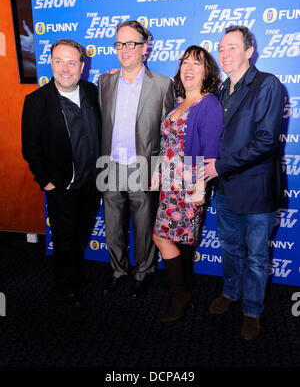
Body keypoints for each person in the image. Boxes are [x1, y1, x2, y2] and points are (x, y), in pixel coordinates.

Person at [204, 25, 285, 340]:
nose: (224, 53)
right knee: (230, 248)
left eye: (232, 47)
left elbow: (266, 141)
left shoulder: (267, 84)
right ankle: (230, 292)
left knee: (256, 256)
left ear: (250, 52)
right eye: (221, 48)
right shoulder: (221, 90)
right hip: (224, 189)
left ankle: (252, 310)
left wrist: (220, 166)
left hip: (255, 190)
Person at [98, 20, 175, 299]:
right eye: (119, 43)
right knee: (112, 227)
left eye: (131, 43)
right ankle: (118, 271)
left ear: (145, 48)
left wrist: (160, 169)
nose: (124, 49)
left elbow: (168, 134)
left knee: (144, 228)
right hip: (109, 166)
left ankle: (144, 273)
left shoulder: (164, 85)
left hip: (144, 167)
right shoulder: (104, 81)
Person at [22, 39, 101, 308]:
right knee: (64, 237)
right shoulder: (36, 101)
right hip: (61, 185)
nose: (65, 68)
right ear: (51, 63)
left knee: (81, 233)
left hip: (92, 182)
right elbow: (30, 147)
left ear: (82, 65)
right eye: (59, 61)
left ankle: (77, 276)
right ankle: (65, 285)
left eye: (71, 62)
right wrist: (46, 182)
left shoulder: (92, 92)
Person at [152, 45, 223, 322]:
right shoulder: (180, 101)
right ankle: (183, 292)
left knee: (162, 237)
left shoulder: (209, 104)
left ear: (207, 72)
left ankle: (180, 295)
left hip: (187, 187)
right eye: (185, 63)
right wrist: (159, 171)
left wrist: (200, 190)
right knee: (176, 242)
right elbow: (168, 143)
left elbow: (210, 152)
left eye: (197, 64)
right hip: (169, 185)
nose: (189, 68)